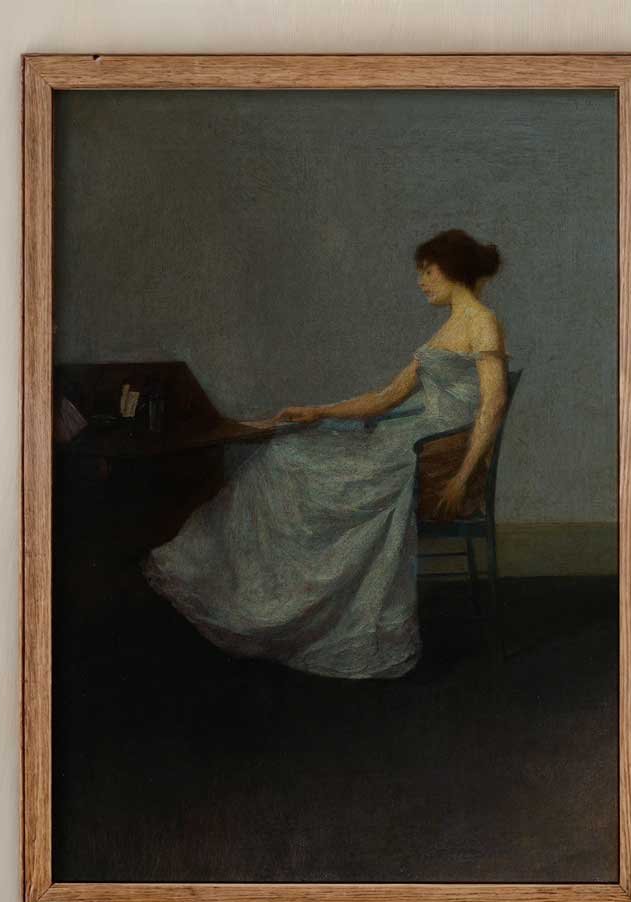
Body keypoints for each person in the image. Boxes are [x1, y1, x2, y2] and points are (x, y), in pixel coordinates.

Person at [145, 228, 509, 680]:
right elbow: (385, 397)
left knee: (291, 461)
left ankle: (286, 604)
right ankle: (270, 594)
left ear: (452, 269)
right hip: (411, 440)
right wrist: (319, 411)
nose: (421, 281)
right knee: (287, 449)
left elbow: (493, 405)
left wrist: (463, 475)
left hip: (435, 456)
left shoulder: (482, 322)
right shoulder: (448, 327)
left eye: (428, 271)